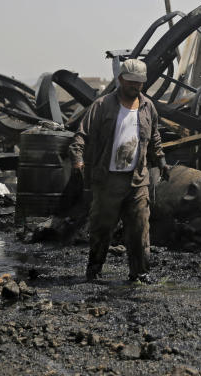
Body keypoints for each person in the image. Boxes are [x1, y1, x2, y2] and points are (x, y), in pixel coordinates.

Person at [69, 58, 168, 283]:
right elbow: (81, 135)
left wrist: (161, 160)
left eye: (140, 83)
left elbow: (154, 137)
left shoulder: (147, 106)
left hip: (137, 180)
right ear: (121, 79)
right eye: (132, 82)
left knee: (140, 230)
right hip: (108, 180)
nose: (136, 86)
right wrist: (77, 160)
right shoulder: (103, 105)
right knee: (102, 228)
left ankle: (140, 273)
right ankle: (94, 271)